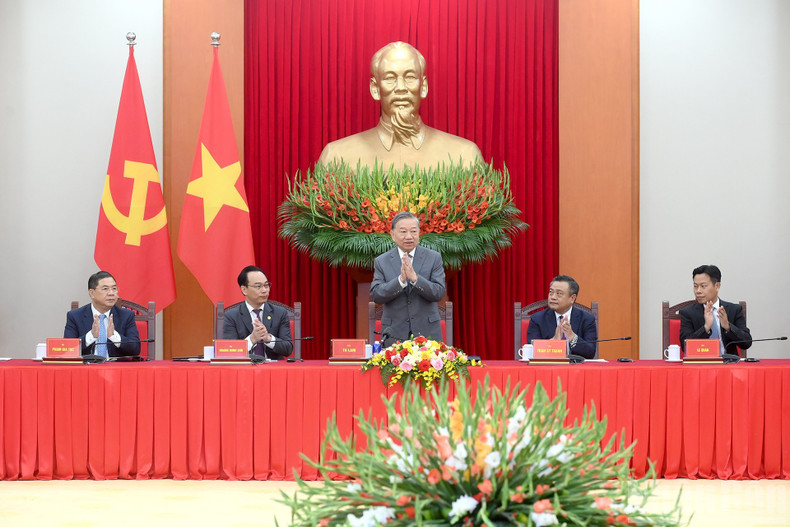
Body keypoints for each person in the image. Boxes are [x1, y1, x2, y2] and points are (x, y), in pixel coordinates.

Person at [318, 41, 483, 171]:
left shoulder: (464, 156)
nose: (401, 87)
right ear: (375, 89)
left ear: (423, 86)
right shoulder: (337, 157)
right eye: (390, 78)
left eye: (410, 76)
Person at [370, 211, 446, 345]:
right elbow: (376, 295)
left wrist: (415, 279)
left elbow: (438, 292)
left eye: (413, 231)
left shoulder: (433, 258)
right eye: (403, 231)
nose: (409, 236)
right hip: (394, 335)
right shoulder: (382, 261)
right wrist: (400, 281)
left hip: (427, 335)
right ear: (393, 235)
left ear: (419, 233)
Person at [679, 264, 752, 356]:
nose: (698, 291)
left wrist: (728, 327)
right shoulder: (688, 313)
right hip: (700, 364)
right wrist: (706, 328)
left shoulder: (734, 310)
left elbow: (747, 343)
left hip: (728, 365)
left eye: (703, 286)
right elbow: (685, 346)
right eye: (695, 286)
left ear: (717, 286)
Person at [223, 266, 293, 360]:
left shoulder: (280, 313)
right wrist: (252, 339)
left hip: (274, 370)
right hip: (245, 370)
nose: (264, 290)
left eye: (266, 285)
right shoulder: (231, 316)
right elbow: (229, 351)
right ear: (244, 289)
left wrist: (268, 339)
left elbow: (288, 349)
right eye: (258, 286)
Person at [64, 270, 140, 357]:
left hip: (115, 368)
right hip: (87, 368)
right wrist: (91, 336)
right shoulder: (75, 316)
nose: (111, 293)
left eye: (114, 288)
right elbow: (67, 349)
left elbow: (135, 349)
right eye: (105, 289)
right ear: (92, 293)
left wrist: (114, 336)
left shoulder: (126, 315)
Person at [526, 275, 598, 360]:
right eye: (551, 292)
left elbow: (590, 352)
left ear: (572, 298)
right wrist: (553, 342)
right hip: (548, 368)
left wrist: (572, 337)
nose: (553, 297)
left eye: (559, 294)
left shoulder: (587, 319)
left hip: (576, 370)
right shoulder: (537, 319)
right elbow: (532, 351)